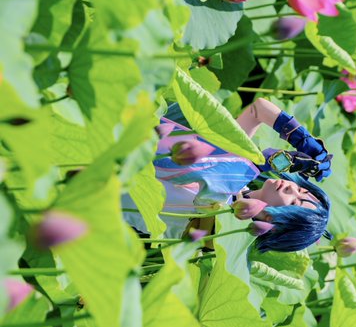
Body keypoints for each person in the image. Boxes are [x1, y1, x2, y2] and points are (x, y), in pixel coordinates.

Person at [121, 98, 332, 253]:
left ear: (274, 223)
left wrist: (266, 161)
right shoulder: (239, 177)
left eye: (294, 202)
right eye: (301, 189)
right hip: (127, 134)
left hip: (110, 178)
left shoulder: (221, 233)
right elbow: (257, 110)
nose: (291, 188)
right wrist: (301, 138)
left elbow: (214, 185)